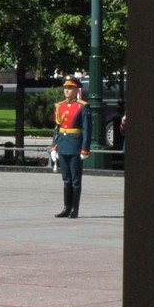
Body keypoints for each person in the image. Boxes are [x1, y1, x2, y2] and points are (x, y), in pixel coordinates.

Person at [53, 77, 91, 218]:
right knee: (66, 179)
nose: (67, 91)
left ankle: (75, 209)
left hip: (75, 146)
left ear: (76, 90)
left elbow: (87, 129)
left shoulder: (83, 106)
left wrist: (85, 148)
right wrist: (54, 147)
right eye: (65, 88)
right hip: (63, 144)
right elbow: (57, 128)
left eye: (70, 88)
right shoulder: (60, 106)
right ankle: (66, 207)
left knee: (75, 179)